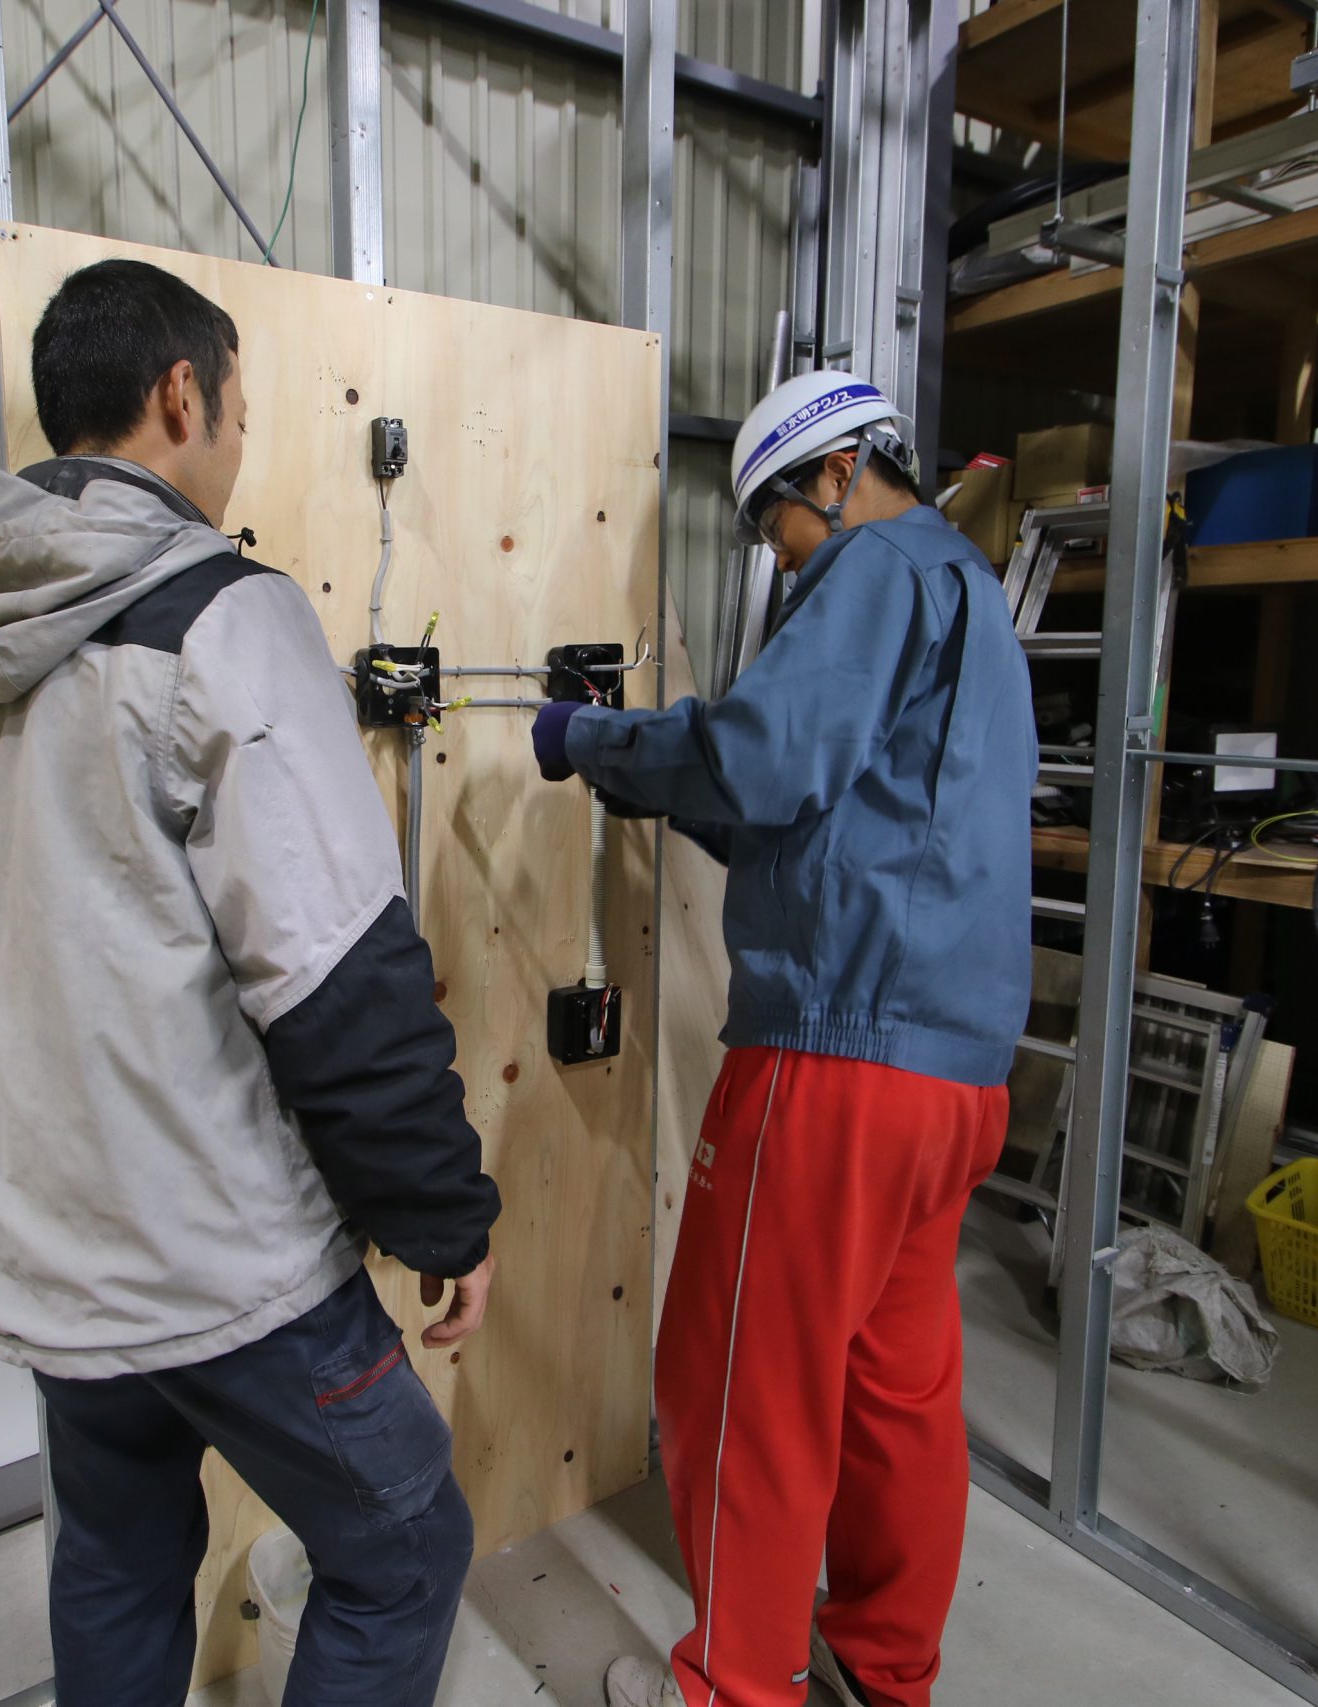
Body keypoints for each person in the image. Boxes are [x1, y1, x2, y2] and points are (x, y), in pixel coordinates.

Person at [0, 257, 499, 1707]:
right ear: (182, 396)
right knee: (406, 1545)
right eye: (238, 412)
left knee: (115, 1557)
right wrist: (441, 1213)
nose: (237, 447)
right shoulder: (223, 618)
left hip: (46, 1241)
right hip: (215, 1252)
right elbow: (338, 978)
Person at [536, 373, 1034, 1707]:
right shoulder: (973, 597)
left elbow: (759, 757)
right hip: (956, 1078)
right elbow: (817, 815)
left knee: (738, 1378)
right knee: (895, 1391)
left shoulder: (874, 567)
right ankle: (882, 1669)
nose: (785, 561)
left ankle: (734, 1690)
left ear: (835, 472)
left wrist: (591, 737)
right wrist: (637, 775)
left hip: (839, 1063)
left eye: (777, 528)